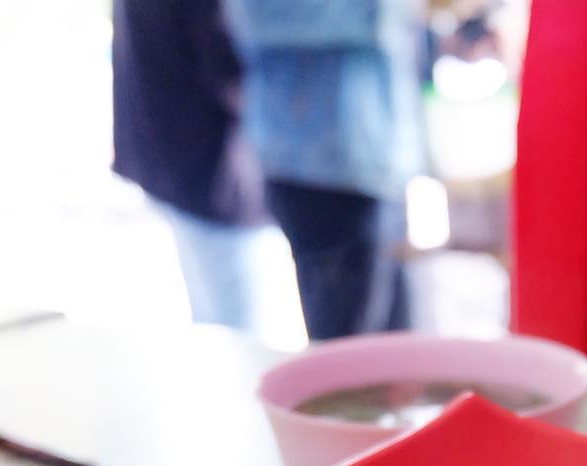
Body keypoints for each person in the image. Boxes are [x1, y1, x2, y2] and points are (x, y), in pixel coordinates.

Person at [222, 1, 425, 339]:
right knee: (346, 359)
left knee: (398, 352)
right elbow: (253, 15)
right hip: (318, 172)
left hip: (381, 164)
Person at [112, 0, 281, 335]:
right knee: (241, 341)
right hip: (207, 168)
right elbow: (228, 65)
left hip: (170, 151)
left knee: (215, 326)